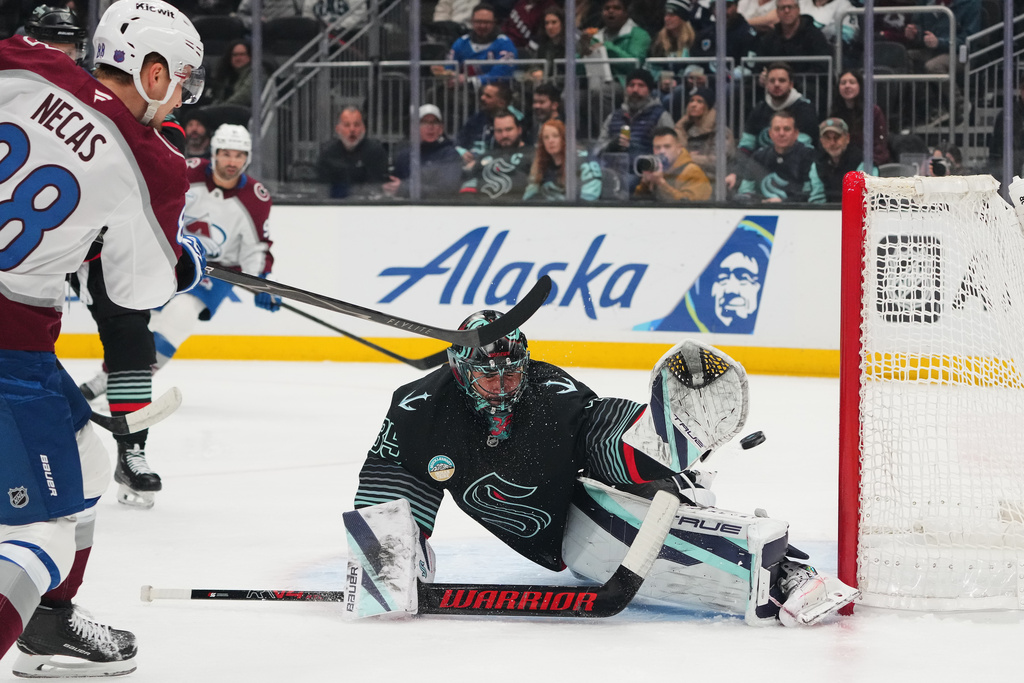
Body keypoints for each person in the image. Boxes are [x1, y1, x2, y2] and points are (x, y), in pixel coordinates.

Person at [347, 312, 859, 625]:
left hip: (580, 502)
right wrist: (388, 559)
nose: (504, 388)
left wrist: (665, 443)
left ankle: (783, 573)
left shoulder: (549, 394)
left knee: (621, 524)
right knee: (397, 549)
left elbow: (600, 430)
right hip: (552, 537)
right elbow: (390, 478)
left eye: (512, 375)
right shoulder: (418, 410)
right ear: (461, 371)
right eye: (490, 380)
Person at [0, 0, 206, 675]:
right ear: (150, 72)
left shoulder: (24, 60)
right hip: (9, 347)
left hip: (20, 348)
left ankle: (48, 625)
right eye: (179, 77)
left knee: (87, 456)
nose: (180, 92)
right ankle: (36, 605)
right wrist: (180, 259)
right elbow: (139, 291)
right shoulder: (153, 161)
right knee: (41, 538)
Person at [77, 125, 277, 509]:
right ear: (215, 153)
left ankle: (109, 381)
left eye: (239, 155)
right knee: (130, 317)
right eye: (226, 154)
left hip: (214, 272)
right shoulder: (186, 169)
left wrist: (260, 280)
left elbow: (257, 246)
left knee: (178, 318)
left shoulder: (254, 197)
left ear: (247, 159)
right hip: (167, 255)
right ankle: (116, 382)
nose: (231, 161)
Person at [595, 68, 675, 166]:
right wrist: (610, 146)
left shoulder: (660, 116)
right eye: (631, 85)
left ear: (649, 90)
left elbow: (670, 151)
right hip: (613, 171)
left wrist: (638, 152)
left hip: (644, 173)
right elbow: (597, 150)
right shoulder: (613, 117)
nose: (635, 90)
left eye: (641, 85)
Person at [383, 105, 464, 200]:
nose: (430, 127)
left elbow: (447, 190)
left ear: (441, 128)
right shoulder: (405, 155)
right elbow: (395, 184)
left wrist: (405, 189)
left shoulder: (450, 154)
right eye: (424, 122)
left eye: (435, 122)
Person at [737, 61, 818, 155]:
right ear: (766, 85)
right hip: (760, 165)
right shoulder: (759, 108)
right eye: (772, 81)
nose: (776, 84)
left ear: (791, 85)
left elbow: (803, 147)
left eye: (782, 80)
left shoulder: (805, 109)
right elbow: (746, 145)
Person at [432, 4, 518, 90]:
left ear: (494, 23)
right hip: (464, 91)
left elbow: (501, 74)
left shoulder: (504, 43)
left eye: (487, 22)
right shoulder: (461, 42)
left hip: (495, 91)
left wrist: (470, 81)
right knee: (434, 92)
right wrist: (447, 75)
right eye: (478, 22)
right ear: (472, 22)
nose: (482, 26)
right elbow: (450, 67)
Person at [736, 109, 814, 203]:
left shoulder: (808, 155)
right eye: (777, 129)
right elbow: (745, 192)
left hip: (797, 212)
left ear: (796, 134)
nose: (781, 133)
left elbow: (810, 194)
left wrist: (783, 202)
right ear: (770, 133)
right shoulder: (758, 156)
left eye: (787, 129)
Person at [460, 109, 535, 200]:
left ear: (519, 130)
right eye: (499, 131)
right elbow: (468, 187)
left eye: (509, 129)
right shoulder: (485, 157)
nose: (504, 135)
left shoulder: (533, 155)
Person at [315, 106, 389, 199]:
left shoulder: (375, 151)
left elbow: (377, 188)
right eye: (347, 125)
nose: (352, 129)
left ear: (363, 129)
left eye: (356, 125)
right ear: (338, 129)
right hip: (335, 208)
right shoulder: (327, 153)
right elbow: (322, 191)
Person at [523, 119, 603, 201]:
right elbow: (529, 198)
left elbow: (590, 198)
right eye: (546, 137)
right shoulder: (540, 163)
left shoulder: (583, 161)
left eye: (555, 136)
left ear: (564, 138)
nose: (550, 141)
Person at [579, 0, 651, 89]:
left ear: (626, 13)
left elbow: (634, 65)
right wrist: (583, 51)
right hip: (593, 83)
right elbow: (578, 72)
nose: (611, 11)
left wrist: (607, 47)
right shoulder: (595, 37)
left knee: (599, 91)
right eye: (607, 8)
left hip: (626, 84)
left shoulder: (639, 34)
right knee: (569, 94)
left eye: (617, 8)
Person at [674, 87, 736, 186]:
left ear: (708, 107)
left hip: (714, 181)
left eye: (700, 101)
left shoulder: (720, 131)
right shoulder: (682, 130)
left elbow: (717, 162)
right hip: (686, 178)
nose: (693, 105)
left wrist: (688, 157)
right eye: (691, 101)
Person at [633, 126, 712, 201]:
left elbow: (689, 205)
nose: (662, 151)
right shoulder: (656, 169)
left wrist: (661, 184)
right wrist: (645, 184)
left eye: (667, 146)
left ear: (679, 148)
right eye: (658, 147)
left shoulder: (692, 171)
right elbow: (638, 203)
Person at [829, 69, 890, 165]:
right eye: (843, 83)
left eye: (852, 82)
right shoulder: (835, 113)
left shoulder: (873, 112)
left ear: (860, 86)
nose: (847, 86)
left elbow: (880, 143)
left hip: (869, 162)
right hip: (842, 163)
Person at [808, 118, 876, 203]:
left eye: (837, 137)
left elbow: (865, 200)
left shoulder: (863, 162)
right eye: (827, 138)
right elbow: (817, 199)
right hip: (825, 213)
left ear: (847, 138)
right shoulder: (817, 165)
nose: (832, 143)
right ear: (821, 141)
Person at [753, 0, 832, 71]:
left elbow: (822, 67)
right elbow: (758, 67)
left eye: (790, 7)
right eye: (782, 8)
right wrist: (761, 77)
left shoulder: (814, 35)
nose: (786, 11)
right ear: (777, 12)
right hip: (775, 85)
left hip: (807, 85)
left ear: (798, 10)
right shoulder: (769, 38)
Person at [457, 81, 525, 159]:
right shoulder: (477, 118)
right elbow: (459, 142)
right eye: (483, 94)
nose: (482, 98)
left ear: (501, 103)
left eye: (488, 96)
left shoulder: (516, 120)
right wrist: (461, 151)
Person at [21, 4, 87, 64]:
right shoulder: (19, 75)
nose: (62, 61)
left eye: (68, 54)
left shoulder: (85, 76)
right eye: (53, 53)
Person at [208, 40, 254, 107]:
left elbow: (244, 97)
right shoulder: (227, 75)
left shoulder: (256, 74)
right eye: (235, 55)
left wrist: (221, 107)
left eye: (242, 54)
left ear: (250, 56)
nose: (238, 58)